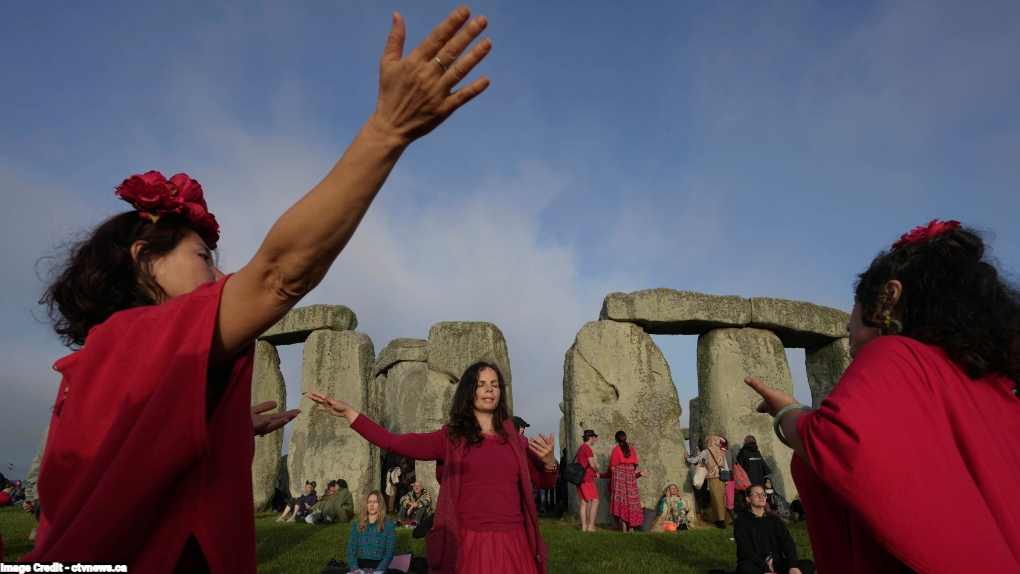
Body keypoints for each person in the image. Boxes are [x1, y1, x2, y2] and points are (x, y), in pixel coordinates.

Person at [24, 8, 493, 570]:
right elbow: (278, 275)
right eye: (203, 258)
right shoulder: (145, 335)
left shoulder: (96, 365)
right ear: (145, 260)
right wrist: (387, 130)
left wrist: (209, 424)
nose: (219, 278)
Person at [746, 220, 1020, 572]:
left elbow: (841, 443)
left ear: (889, 297)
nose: (847, 324)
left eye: (856, 306)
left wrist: (789, 412)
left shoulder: (895, 354)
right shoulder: (995, 386)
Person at [311, 362, 558, 573]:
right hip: (468, 543)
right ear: (468, 392)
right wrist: (350, 414)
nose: (489, 389)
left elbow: (546, 481)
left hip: (514, 542)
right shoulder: (451, 437)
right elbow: (394, 443)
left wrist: (549, 462)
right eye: (481, 384)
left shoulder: (516, 440)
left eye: (494, 384)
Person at [734, 485, 815, 574]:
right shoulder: (741, 521)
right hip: (756, 565)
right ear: (748, 499)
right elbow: (745, 550)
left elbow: (787, 543)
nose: (761, 497)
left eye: (763, 494)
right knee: (744, 568)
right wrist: (765, 568)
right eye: (756, 494)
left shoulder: (774, 520)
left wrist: (793, 566)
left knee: (809, 564)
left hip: (776, 564)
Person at [600, 430, 646, 532]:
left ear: (616, 439)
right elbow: (634, 466)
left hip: (619, 477)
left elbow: (612, 468)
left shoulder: (615, 450)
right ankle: (632, 527)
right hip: (630, 477)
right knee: (632, 501)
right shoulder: (632, 449)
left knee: (621, 501)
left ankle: (623, 525)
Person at [687, 435, 732, 528]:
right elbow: (726, 467)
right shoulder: (721, 452)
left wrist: (687, 457)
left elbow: (694, 460)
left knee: (716, 499)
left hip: (713, 477)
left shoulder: (706, 451)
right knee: (719, 498)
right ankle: (717, 519)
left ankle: (721, 521)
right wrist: (726, 481)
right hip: (722, 478)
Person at [347, 490, 398, 573]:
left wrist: (378, 570)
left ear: (380, 504)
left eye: (375, 502)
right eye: (369, 502)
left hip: (380, 567)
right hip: (360, 566)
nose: (371, 505)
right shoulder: (357, 524)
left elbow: (390, 552)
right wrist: (356, 570)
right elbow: (351, 550)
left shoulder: (389, 524)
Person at [736, 436, 771, 509]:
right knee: (759, 497)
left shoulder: (743, 452)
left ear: (746, 441)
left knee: (750, 498)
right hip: (759, 479)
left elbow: (739, 468)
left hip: (748, 481)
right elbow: (763, 467)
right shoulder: (757, 452)